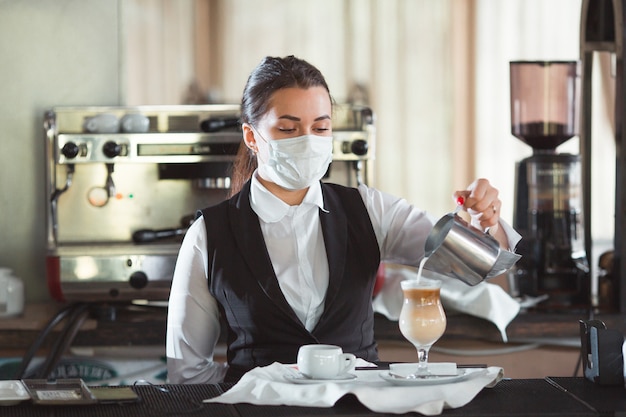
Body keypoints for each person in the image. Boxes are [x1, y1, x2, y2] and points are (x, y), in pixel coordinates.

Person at [166, 55, 520, 384]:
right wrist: (258, 389)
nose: (307, 141)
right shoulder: (208, 235)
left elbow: (481, 266)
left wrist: (482, 221)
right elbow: (187, 372)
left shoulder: (369, 210)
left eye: (320, 129)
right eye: (288, 130)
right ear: (251, 137)